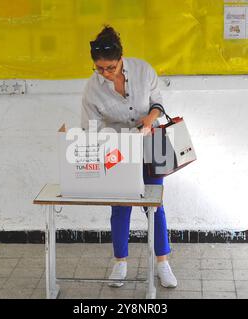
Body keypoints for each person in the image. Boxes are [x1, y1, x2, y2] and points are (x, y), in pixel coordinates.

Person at [81, 25, 177, 288]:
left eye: (110, 67)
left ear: (121, 58)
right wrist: (110, 140)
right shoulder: (92, 89)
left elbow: (158, 103)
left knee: (154, 206)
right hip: (118, 150)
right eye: (99, 68)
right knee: (120, 207)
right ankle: (120, 263)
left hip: (151, 144)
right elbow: (91, 128)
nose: (105, 74)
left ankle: (162, 263)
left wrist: (149, 118)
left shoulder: (144, 70)